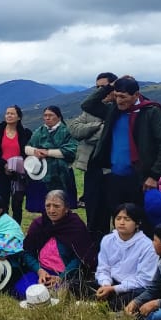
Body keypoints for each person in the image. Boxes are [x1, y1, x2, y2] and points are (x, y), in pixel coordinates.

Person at [81, 76, 161, 237]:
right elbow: (87, 105)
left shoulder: (150, 112)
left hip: (141, 179)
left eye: (123, 97)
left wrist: (154, 175)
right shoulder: (113, 110)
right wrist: (108, 88)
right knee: (119, 222)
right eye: (116, 96)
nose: (119, 100)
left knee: (141, 223)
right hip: (114, 177)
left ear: (136, 95)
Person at [21, 190, 97, 297]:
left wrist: (61, 277)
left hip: (67, 273)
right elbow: (27, 252)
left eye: (56, 206)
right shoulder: (39, 224)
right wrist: (39, 270)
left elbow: (80, 257)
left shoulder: (75, 226)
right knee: (24, 289)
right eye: (48, 206)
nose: (51, 210)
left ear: (66, 208)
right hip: (42, 271)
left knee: (60, 293)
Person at [68, 72, 116, 216]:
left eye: (104, 87)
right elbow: (74, 129)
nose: (100, 91)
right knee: (93, 210)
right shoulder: (90, 110)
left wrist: (91, 133)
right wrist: (97, 126)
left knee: (113, 210)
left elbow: (106, 136)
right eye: (97, 88)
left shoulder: (119, 110)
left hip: (112, 168)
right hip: (91, 167)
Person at [94, 203, 156, 311]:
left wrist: (114, 289)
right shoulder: (107, 240)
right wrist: (105, 285)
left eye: (127, 219)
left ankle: (106, 305)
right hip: (111, 282)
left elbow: (144, 280)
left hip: (133, 288)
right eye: (118, 218)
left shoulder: (147, 245)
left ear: (137, 224)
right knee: (74, 284)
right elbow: (103, 269)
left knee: (136, 297)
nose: (121, 223)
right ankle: (103, 301)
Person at [0, 106, 33, 225]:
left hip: (19, 173)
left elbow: (29, 152)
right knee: (2, 203)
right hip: (1, 172)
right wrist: (4, 166)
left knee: (17, 204)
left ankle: (15, 230)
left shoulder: (25, 133)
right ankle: (3, 228)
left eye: (12, 113)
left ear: (19, 117)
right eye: (7, 113)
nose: (9, 116)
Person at [25, 105, 78, 205]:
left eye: (50, 115)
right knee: (43, 204)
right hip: (41, 172)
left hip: (61, 174)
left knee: (61, 203)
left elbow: (71, 150)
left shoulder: (66, 131)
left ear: (59, 117)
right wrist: (35, 151)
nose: (47, 118)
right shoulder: (38, 132)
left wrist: (48, 153)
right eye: (45, 115)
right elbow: (28, 147)